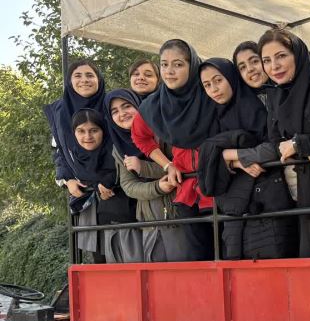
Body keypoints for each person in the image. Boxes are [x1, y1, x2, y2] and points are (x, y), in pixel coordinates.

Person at [238, 28, 310, 257]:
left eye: (281, 56)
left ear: (297, 54)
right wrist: (303, 147)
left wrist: (300, 145)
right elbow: (276, 142)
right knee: (309, 262)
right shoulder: (275, 94)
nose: (274, 66)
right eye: (267, 60)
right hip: (304, 193)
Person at [197, 59, 295, 259]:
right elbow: (207, 156)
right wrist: (236, 162)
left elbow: (273, 147)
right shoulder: (211, 116)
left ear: (231, 78)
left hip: (267, 197)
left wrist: (229, 155)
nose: (214, 89)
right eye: (207, 85)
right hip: (234, 205)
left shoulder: (255, 107)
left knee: (270, 258)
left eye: (218, 80)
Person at [134, 39, 219, 261]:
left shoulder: (211, 92)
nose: (169, 71)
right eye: (164, 64)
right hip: (187, 192)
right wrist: (167, 165)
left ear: (192, 65)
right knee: (198, 261)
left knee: (230, 257)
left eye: (178, 64)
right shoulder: (154, 105)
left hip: (223, 186)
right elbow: (140, 137)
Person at [105, 89, 180, 262]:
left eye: (127, 106)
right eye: (114, 111)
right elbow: (129, 186)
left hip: (179, 213)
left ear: (139, 106)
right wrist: (157, 187)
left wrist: (143, 167)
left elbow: (181, 167)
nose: (122, 114)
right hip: (149, 220)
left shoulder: (162, 129)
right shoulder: (118, 147)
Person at [68, 109, 140, 263]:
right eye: (81, 131)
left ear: (104, 130)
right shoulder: (73, 157)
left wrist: (109, 181)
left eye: (94, 130)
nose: (87, 136)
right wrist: (72, 181)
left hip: (126, 220)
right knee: (101, 267)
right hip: (93, 223)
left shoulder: (118, 149)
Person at [45, 59, 107, 202]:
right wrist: (67, 179)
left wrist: (112, 179)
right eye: (78, 76)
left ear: (98, 80)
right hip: (81, 192)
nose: (84, 80)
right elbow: (58, 149)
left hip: (120, 187)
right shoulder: (60, 112)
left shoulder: (112, 105)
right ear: (70, 81)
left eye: (90, 75)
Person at [232, 41, 271, 105]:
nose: (250, 69)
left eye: (255, 61)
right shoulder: (242, 105)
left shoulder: (286, 89)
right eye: (243, 67)